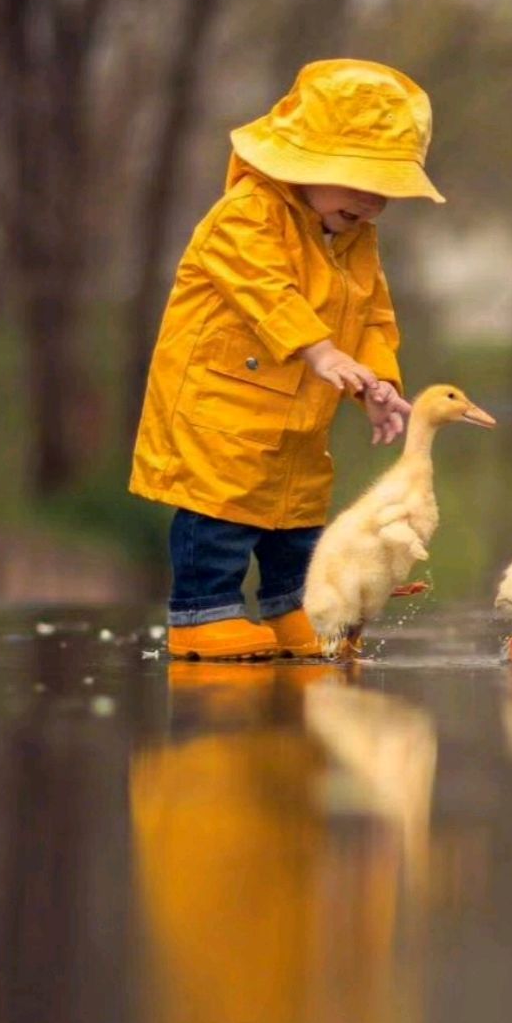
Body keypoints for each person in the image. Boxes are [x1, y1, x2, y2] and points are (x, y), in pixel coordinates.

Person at [130, 58, 444, 659]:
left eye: (386, 192)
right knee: (221, 510)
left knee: (296, 519)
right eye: (360, 182)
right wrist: (319, 349)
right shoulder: (246, 214)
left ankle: (293, 608)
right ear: (305, 162)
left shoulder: (353, 238)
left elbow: (374, 313)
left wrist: (374, 382)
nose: (373, 204)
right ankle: (202, 613)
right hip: (222, 403)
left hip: (300, 411)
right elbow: (264, 290)